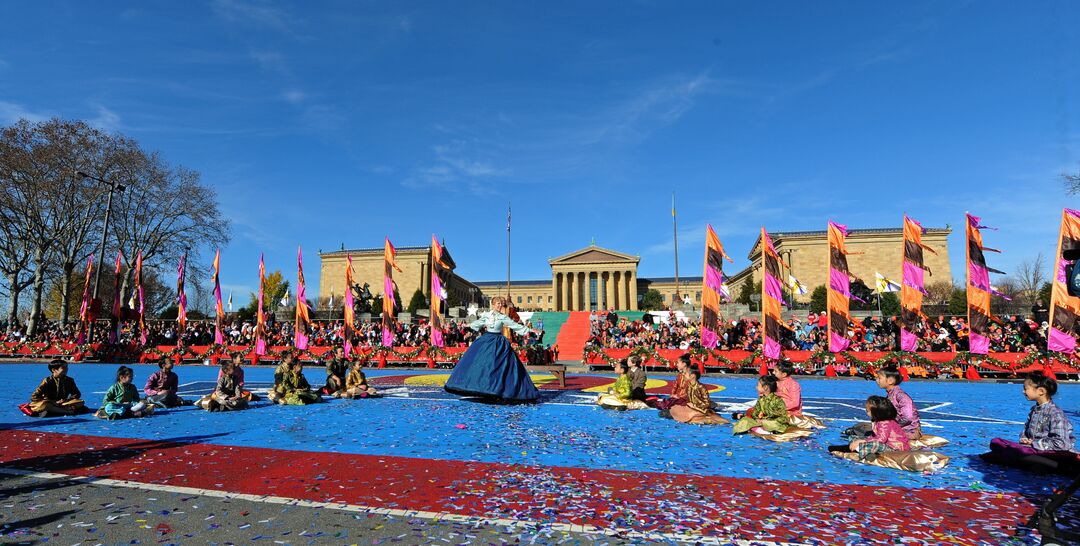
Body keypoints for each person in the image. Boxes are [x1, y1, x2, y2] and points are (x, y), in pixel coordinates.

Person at [444, 296, 540, 402]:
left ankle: (499, 389)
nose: (500, 306)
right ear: (493, 305)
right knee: (482, 364)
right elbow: (478, 323)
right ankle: (481, 387)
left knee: (499, 365)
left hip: (498, 342)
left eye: (501, 304)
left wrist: (529, 330)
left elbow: (514, 325)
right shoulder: (486, 315)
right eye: (498, 303)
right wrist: (467, 326)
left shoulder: (503, 317)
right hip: (486, 340)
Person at [981, 371, 1078, 473]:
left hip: (1052, 453)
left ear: (1041, 391)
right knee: (997, 443)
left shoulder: (1055, 413)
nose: (1023, 392)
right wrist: (1025, 439)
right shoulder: (1034, 410)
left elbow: (1062, 444)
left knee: (1016, 452)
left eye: (1025, 388)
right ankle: (1037, 463)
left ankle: (1057, 467)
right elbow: (1027, 432)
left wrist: (1034, 443)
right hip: (1033, 450)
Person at [830, 396, 910, 461]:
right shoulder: (880, 421)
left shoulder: (885, 423)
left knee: (875, 445)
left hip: (895, 449)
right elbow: (875, 436)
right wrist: (861, 440)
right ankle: (867, 452)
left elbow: (880, 439)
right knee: (854, 437)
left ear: (877, 413)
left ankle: (853, 450)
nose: (866, 412)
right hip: (887, 444)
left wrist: (863, 441)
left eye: (868, 411)